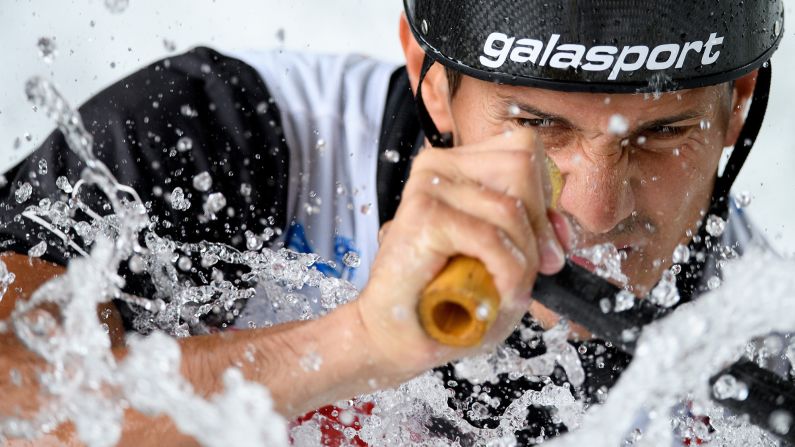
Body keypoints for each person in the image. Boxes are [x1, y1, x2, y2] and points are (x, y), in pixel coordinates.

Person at [0, 0, 785, 444]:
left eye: (661, 134)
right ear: (430, 80)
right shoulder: (223, 139)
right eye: (537, 124)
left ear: (737, 106)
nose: (594, 212)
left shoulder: (762, 350)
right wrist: (355, 344)